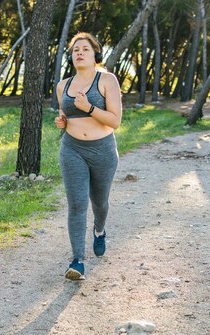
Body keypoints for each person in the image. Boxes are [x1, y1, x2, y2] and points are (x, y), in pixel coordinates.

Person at [54, 32, 122, 280]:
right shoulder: (64, 85)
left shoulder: (107, 80)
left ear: (96, 55)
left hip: (102, 150)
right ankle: (77, 261)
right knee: (77, 204)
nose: (79, 52)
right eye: (75, 50)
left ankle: (100, 230)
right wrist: (62, 121)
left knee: (100, 203)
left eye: (85, 49)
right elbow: (66, 115)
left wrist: (89, 108)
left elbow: (115, 121)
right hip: (72, 149)